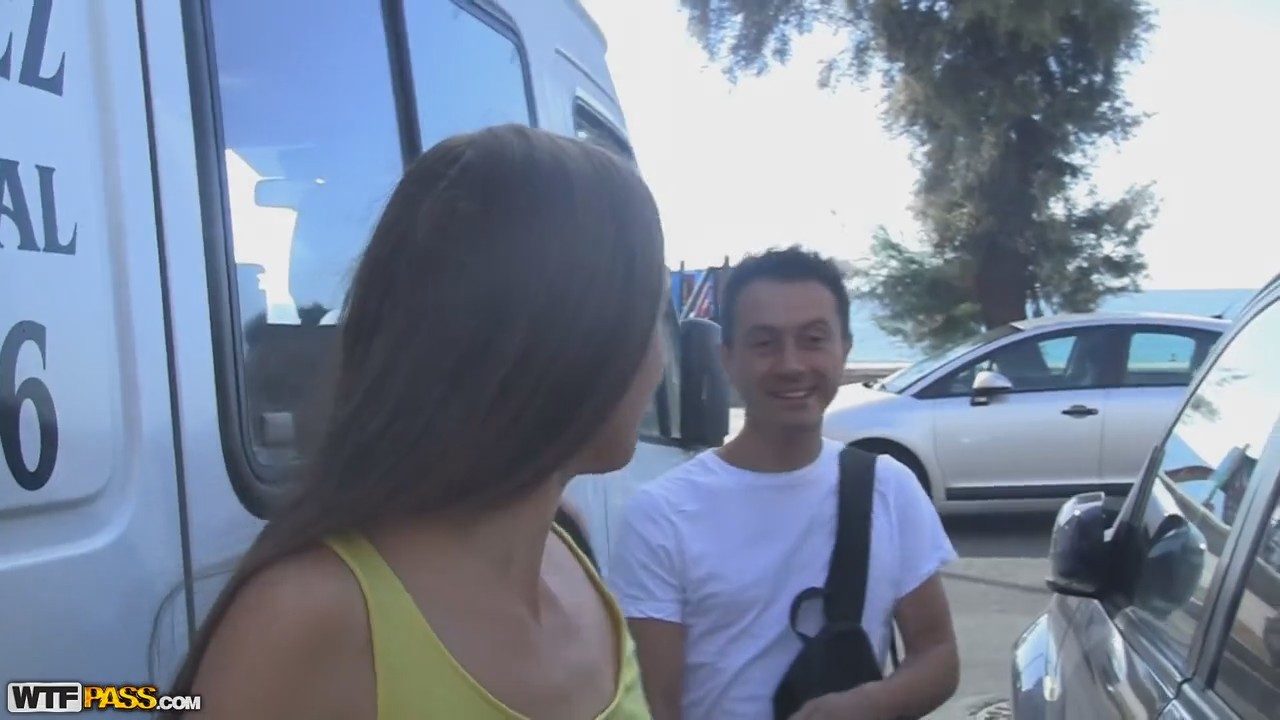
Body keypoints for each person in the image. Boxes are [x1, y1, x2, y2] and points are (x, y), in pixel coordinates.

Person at [162, 124, 666, 720]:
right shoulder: (306, 621)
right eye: (649, 318)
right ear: (565, 340)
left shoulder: (567, 543)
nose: (661, 360)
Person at [610, 247, 960, 720]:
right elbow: (657, 705)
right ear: (727, 358)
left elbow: (937, 655)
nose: (791, 364)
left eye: (813, 340)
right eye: (764, 343)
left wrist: (866, 705)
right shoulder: (661, 514)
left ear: (844, 349)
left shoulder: (890, 488)